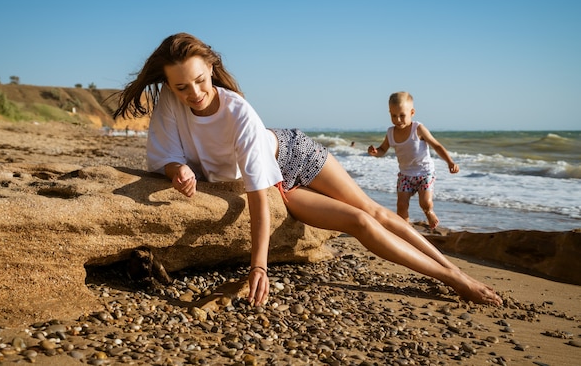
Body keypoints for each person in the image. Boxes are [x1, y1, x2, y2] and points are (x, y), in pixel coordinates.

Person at [113, 33, 501, 307]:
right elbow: (166, 154)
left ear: (211, 69)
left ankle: (455, 275)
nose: (193, 93)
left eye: (199, 81)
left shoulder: (239, 115)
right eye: (182, 87)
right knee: (360, 224)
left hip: (293, 153)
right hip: (279, 184)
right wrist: (176, 169)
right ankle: (451, 276)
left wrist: (259, 266)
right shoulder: (170, 97)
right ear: (169, 83)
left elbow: (256, 198)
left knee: (376, 211)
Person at [368, 92, 459, 229]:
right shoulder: (390, 132)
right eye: (394, 116)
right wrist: (375, 152)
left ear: (412, 112)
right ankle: (405, 228)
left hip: (425, 173)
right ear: (389, 113)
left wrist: (450, 162)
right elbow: (383, 149)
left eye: (402, 115)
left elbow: (437, 146)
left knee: (425, 202)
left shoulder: (418, 129)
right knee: (401, 205)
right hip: (405, 175)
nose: (398, 120)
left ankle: (429, 212)